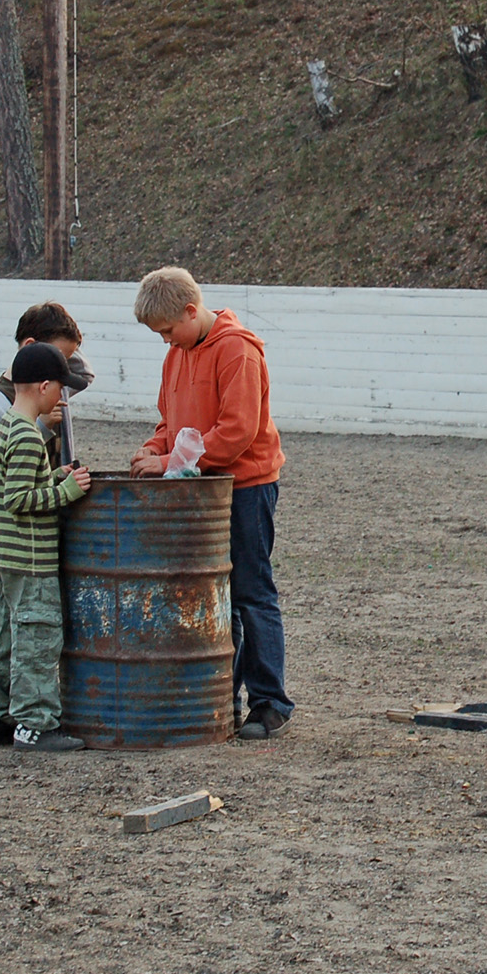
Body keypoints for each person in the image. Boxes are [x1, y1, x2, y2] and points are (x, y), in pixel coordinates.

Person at [128, 267, 293, 740]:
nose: (164, 341)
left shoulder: (237, 350)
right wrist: (154, 449)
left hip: (244, 487)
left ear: (189, 310)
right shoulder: (178, 354)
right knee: (212, 595)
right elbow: (170, 422)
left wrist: (171, 461)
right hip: (201, 487)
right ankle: (223, 698)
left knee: (250, 593)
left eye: (166, 330)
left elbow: (237, 432)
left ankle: (269, 702)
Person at [0, 342, 93, 753]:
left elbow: (14, 484)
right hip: (30, 558)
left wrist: (52, 475)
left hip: (2, 554)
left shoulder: (5, 427)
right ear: (44, 387)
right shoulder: (29, 435)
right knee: (37, 638)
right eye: (58, 390)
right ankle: (35, 724)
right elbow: (19, 500)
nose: (60, 399)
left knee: (4, 635)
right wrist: (65, 491)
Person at [0, 302, 95, 469]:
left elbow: (85, 375)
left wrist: (64, 333)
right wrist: (42, 426)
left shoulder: (55, 382)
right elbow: (6, 466)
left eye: (66, 360)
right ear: (29, 345)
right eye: (59, 356)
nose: (64, 366)